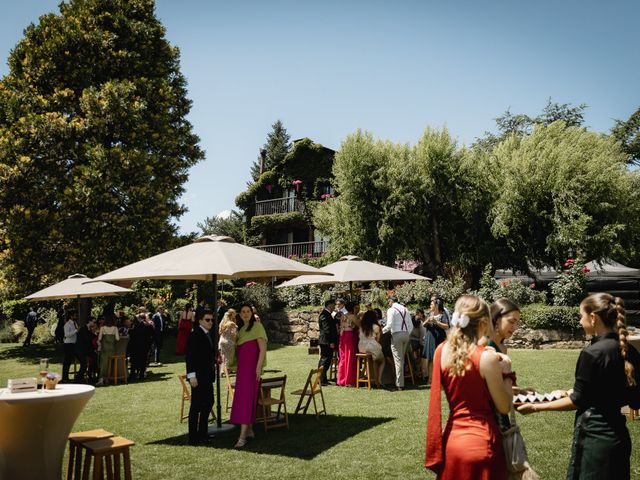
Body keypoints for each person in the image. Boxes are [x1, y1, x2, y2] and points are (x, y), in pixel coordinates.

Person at [518, 293, 640, 479]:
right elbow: (634, 400)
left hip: (594, 437)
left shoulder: (592, 353)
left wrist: (536, 407)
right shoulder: (629, 351)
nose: (580, 321)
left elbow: (578, 400)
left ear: (593, 318)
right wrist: (572, 391)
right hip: (619, 437)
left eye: (581, 316)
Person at [425, 295, 514, 479]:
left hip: (452, 443)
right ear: (482, 323)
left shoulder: (441, 351)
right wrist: (506, 373)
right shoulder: (487, 358)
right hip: (483, 443)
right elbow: (504, 406)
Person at [230, 303, 268, 448]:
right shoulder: (241, 330)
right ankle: (250, 430)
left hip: (252, 370)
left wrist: (258, 368)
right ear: (239, 314)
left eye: (248, 311)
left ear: (252, 313)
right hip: (242, 371)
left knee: (246, 400)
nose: (245, 314)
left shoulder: (257, 326)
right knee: (243, 399)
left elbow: (263, 349)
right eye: (243, 312)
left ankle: (242, 437)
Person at [185, 308, 217, 445]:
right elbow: (190, 357)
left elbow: (205, 355)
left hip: (207, 376)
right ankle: (193, 437)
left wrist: (215, 359)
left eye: (212, 320)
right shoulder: (195, 334)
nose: (210, 322)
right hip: (198, 378)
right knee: (196, 407)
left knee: (209, 402)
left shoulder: (207, 334)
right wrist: (192, 376)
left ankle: (203, 434)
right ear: (200, 321)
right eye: (207, 320)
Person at [383, 296, 412, 390]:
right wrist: (408, 333)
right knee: (401, 359)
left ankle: (399, 384)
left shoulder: (391, 310)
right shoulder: (405, 309)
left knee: (398, 360)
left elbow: (389, 324)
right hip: (406, 334)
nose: (388, 302)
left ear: (391, 301)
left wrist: (382, 331)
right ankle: (400, 381)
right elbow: (410, 325)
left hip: (397, 335)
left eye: (388, 301)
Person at [421, 298, 450, 383]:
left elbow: (447, 326)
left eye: (431, 304)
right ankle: (431, 379)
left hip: (439, 338)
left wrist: (436, 321)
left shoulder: (443, 314)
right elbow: (423, 324)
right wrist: (427, 320)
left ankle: (441, 379)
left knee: (440, 358)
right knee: (430, 359)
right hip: (430, 337)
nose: (430, 305)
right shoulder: (430, 313)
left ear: (436, 305)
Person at [358, 310, 385, 386]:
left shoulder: (361, 326)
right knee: (382, 361)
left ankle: (365, 376)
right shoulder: (376, 327)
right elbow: (378, 340)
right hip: (372, 346)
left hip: (361, 347)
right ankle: (378, 380)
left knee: (372, 360)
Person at [337, 301, 359, 387]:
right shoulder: (352, 316)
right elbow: (360, 325)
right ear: (353, 308)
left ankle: (341, 379)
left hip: (343, 336)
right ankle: (349, 380)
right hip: (350, 336)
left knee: (343, 357)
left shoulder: (343, 316)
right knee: (350, 357)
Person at [129, 312, 155, 381]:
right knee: (143, 360)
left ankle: (132, 375)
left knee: (134, 360)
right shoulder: (149, 325)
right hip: (145, 345)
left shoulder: (136, 325)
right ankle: (141, 375)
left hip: (135, 345)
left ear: (139, 318)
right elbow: (152, 335)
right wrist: (149, 343)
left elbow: (132, 334)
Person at [318, 299, 338, 385]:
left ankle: (323, 378)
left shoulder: (328, 314)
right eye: (334, 305)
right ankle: (320, 379)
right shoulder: (324, 315)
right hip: (326, 341)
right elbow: (327, 330)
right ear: (330, 305)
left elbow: (332, 324)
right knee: (325, 359)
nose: (334, 307)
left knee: (327, 359)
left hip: (327, 341)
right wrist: (331, 341)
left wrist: (337, 318)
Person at [96, 316, 119, 386]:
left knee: (103, 364)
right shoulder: (115, 328)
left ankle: (101, 379)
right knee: (110, 364)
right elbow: (117, 338)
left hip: (105, 349)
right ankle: (108, 379)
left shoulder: (102, 328)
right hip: (112, 349)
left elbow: (99, 338)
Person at [75, 318, 97, 383]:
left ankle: (90, 374)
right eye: (93, 322)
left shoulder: (87, 330)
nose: (94, 323)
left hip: (85, 350)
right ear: (89, 321)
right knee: (84, 364)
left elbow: (92, 337)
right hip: (79, 351)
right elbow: (88, 340)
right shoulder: (83, 329)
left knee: (95, 357)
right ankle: (78, 378)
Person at [62, 311, 79, 383]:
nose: (76, 317)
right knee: (67, 361)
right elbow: (66, 335)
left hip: (74, 344)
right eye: (75, 316)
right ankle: (65, 377)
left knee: (71, 360)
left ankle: (69, 377)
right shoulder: (67, 324)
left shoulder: (75, 324)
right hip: (68, 344)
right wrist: (75, 331)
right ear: (71, 316)